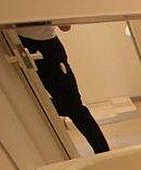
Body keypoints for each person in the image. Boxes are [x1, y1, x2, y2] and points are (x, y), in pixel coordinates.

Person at [17, 25, 110, 154]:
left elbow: (65, 27)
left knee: (75, 107)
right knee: (33, 99)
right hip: (18, 44)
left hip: (47, 46)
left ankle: (103, 152)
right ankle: (103, 152)